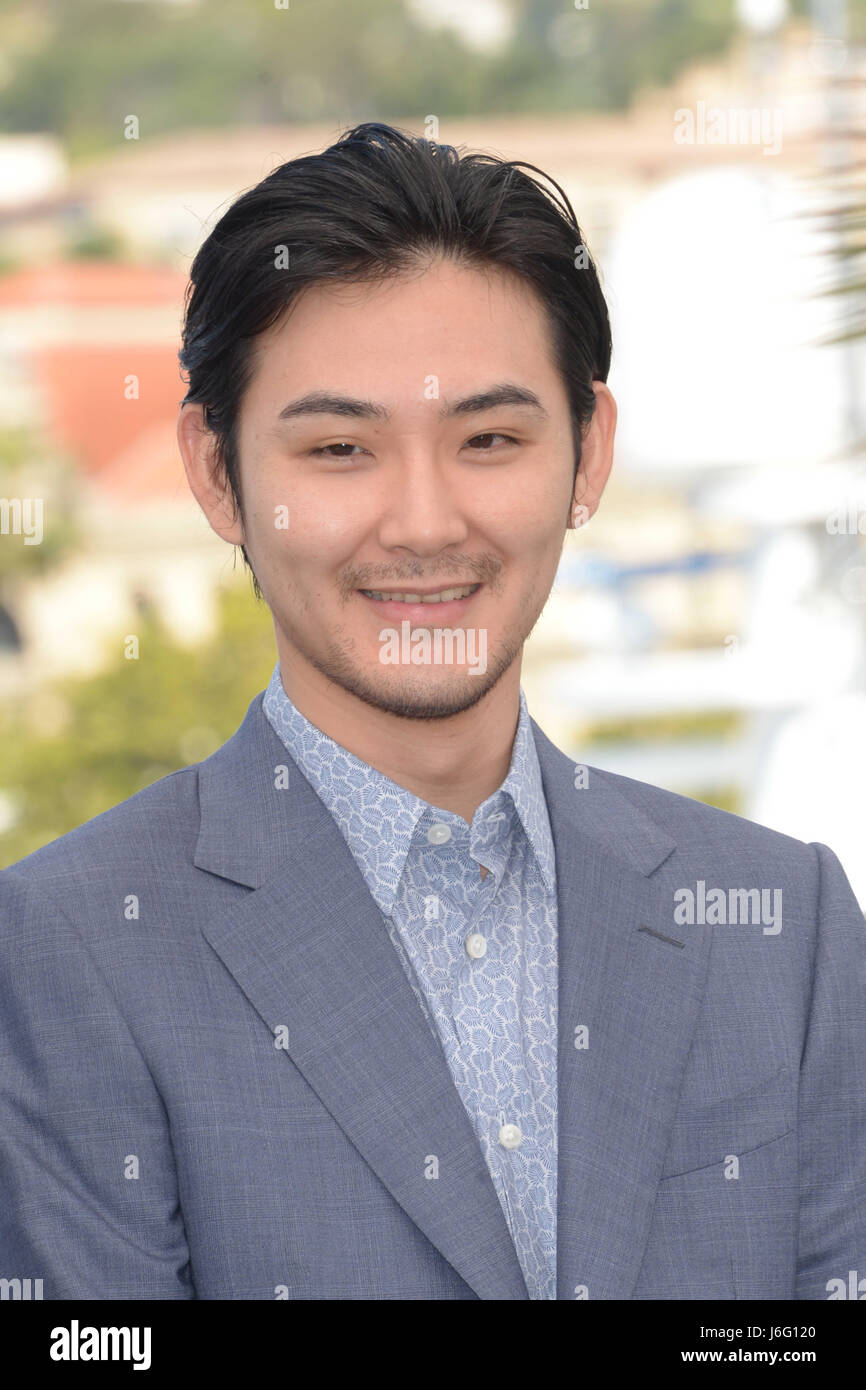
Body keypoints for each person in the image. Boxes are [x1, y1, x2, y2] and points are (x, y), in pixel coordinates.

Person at [1, 122, 863, 1301]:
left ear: (586, 454)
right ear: (217, 474)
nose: (421, 522)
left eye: (489, 439)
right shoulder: (68, 950)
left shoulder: (785, 925)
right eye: (341, 447)